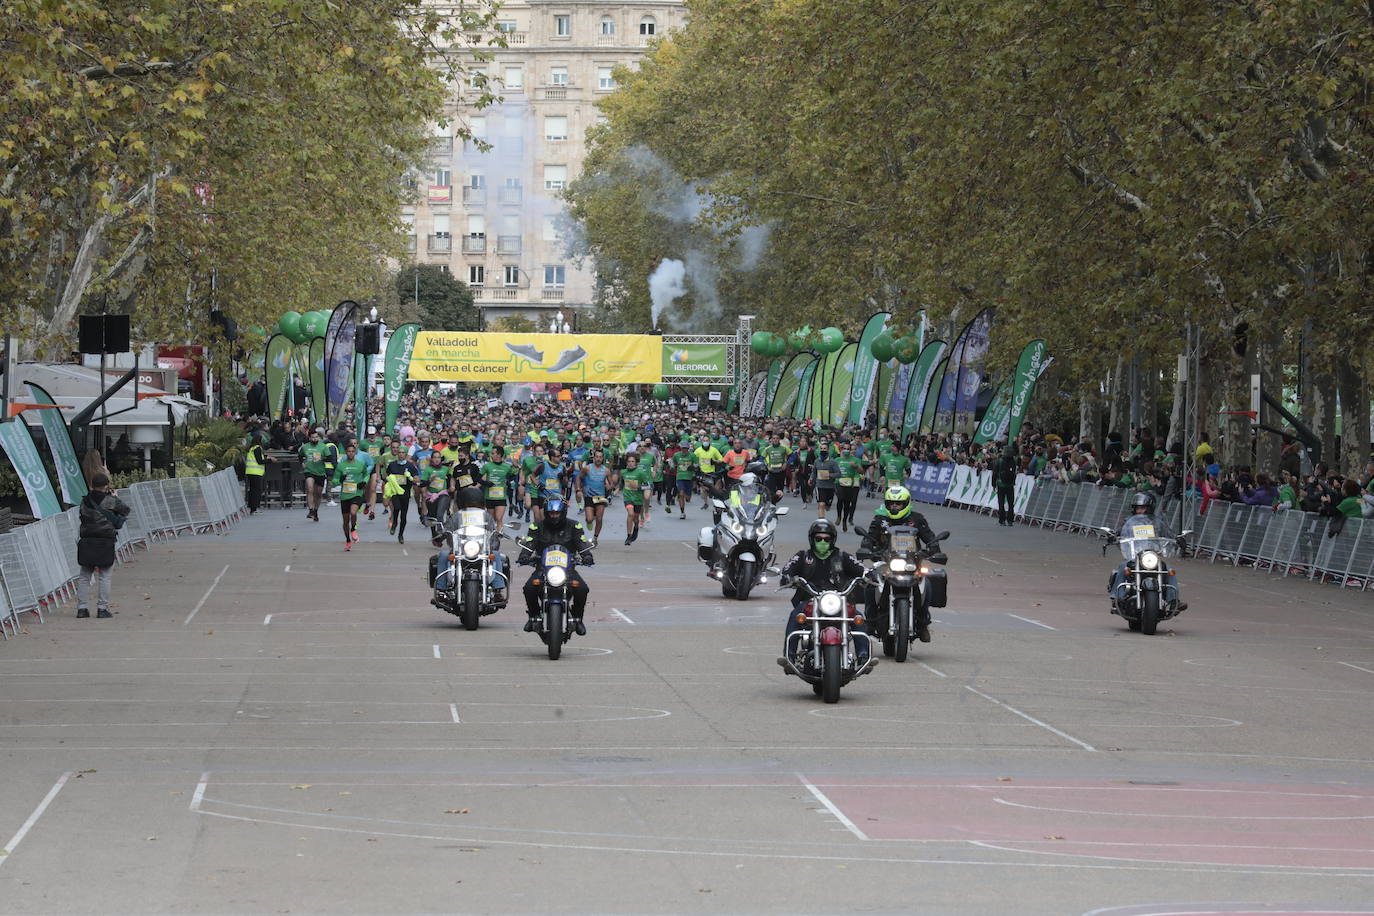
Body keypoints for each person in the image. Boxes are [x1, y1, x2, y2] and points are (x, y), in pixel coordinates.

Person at [778, 519, 870, 664]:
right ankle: (789, 655)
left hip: (839, 601)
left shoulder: (842, 557)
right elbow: (788, 568)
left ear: (833, 540)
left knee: (858, 618)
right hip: (810, 600)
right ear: (812, 540)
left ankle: (864, 655)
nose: (822, 542)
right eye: (818, 538)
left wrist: (869, 574)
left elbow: (861, 568)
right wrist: (787, 577)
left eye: (827, 539)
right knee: (795, 616)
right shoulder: (803, 556)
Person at [857, 485, 940, 642]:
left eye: (898, 503)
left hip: (911, 563)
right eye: (891, 503)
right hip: (884, 562)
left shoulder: (917, 519)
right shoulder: (880, 519)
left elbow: (930, 539)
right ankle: (871, 619)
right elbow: (868, 539)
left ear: (906, 503)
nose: (894, 506)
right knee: (870, 581)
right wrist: (867, 549)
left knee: (927, 584)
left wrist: (932, 549)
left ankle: (923, 623)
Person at [516, 497, 594, 635]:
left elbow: (581, 543)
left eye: (557, 513)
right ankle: (533, 617)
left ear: (563, 512)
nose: (554, 516)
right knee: (529, 588)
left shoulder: (574, 526)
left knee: (582, 589)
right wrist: (524, 556)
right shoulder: (537, 526)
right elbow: (530, 543)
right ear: (546, 513)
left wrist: (587, 556)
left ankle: (577, 619)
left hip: (568, 570)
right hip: (542, 569)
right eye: (551, 513)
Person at [1107, 491, 1186, 612]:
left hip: (1153, 556)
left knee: (1169, 570)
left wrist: (1178, 539)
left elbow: (1169, 534)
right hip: (1134, 556)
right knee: (1123, 567)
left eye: (1142, 508)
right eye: (1138, 508)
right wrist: (1112, 536)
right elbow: (1118, 532)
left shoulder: (1158, 522)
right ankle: (1118, 598)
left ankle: (1173, 600)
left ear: (1150, 508)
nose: (1140, 511)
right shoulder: (1129, 522)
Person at [75, 472, 130, 619]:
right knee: (105, 576)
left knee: (85, 576)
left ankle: (82, 608)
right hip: (105, 541)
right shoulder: (108, 500)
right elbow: (125, 510)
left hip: (87, 541)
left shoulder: (84, 501)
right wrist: (114, 496)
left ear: (92, 485)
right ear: (106, 486)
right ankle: (102, 608)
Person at [332, 442, 370, 550]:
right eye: (349, 451)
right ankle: (348, 540)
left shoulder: (360, 464)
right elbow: (334, 481)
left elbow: (366, 474)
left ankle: (353, 528)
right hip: (345, 495)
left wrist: (364, 482)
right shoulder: (341, 465)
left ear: (355, 452)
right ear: (346, 453)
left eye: (353, 451)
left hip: (357, 493)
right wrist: (339, 480)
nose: (351, 453)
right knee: (345, 521)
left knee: (353, 512)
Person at [381, 441, 419, 544]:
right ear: (397, 454)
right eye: (400, 452)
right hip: (395, 492)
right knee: (396, 507)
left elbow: (416, 479)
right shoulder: (392, 465)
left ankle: (401, 534)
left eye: (403, 452)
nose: (401, 454)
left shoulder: (410, 466)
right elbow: (385, 475)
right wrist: (388, 479)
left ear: (406, 454)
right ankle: (394, 523)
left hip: (406, 492)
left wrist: (410, 477)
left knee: (404, 515)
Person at [577, 448, 613, 547]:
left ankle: (595, 538)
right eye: (597, 457)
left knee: (599, 518)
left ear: (603, 459)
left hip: (600, 497)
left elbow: (611, 483)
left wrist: (609, 486)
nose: (598, 459)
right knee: (589, 519)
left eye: (600, 457)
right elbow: (579, 478)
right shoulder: (587, 468)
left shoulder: (606, 470)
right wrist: (578, 490)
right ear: (593, 458)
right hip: (589, 496)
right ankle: (589, 521)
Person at [620, 452, 653, 545]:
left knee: (635, 519)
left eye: (632, 461)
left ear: (636, 462)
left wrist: (638, 487)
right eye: (629, 461)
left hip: (638, 499)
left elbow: (648, 486)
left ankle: (636, 528)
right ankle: (628, 536)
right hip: (627, 498)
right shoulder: (623, 472)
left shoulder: (640, 473)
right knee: (630, 514)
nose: (630, 463)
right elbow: (621, 483)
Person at [298, 428, 331, 521]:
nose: (315, 439)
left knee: (318, 494)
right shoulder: (305, 447)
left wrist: (321, 459)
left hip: (320, 472)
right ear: (309, 438)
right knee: (310, 489)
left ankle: (316, 510)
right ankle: (311, 510)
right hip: (309, 470)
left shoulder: (323, 447)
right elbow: (300, 455)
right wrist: (302, 463)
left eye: (316, 437)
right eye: (313, 437)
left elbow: (329, 458)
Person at [243, 430, 275, 514]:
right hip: (256, 473)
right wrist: (270, 460)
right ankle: (254, 508)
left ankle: (252, 508)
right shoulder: (257, 448)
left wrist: (266, 457)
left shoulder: (252, 448)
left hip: (250, 472)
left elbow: (258, 457)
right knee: (257, 491)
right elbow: (260, 461)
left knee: (252, 490)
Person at [992, 445, 1019, 526]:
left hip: (1001, 484)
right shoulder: (1013, 461)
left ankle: (1002, 520)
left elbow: (995, 473)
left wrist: (993, 484)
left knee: (1001, 503)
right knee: (1011, 503)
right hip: (1010, 485)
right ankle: (1010, 520)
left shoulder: (999, 461)